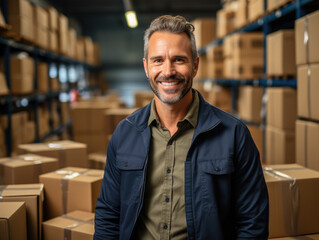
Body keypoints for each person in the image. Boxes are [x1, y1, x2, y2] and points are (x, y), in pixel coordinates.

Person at [94, 15, 269, 240]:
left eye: (179, 59)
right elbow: (109, 215)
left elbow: (253, 223)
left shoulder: (234, 134)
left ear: (195, 65)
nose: (168, 71)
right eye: (158, 60)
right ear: (146, 67)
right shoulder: (125, 134)